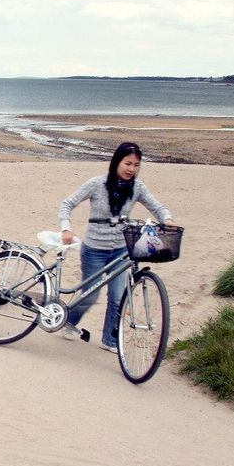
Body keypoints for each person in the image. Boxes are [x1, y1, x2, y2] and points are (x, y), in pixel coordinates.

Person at [58, 142, 177, 352]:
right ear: (116, 162)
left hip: (122, 250)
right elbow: (67, 203)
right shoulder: (97, 184)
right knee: (90, 295)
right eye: (127, 163)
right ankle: (68, 321)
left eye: (136, 165)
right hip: (94, 249)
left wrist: (167, 219)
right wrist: (66, 228)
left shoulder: (137, 187)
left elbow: (157, 206)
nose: (131, 169)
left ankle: (110, 340)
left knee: (118, 297)